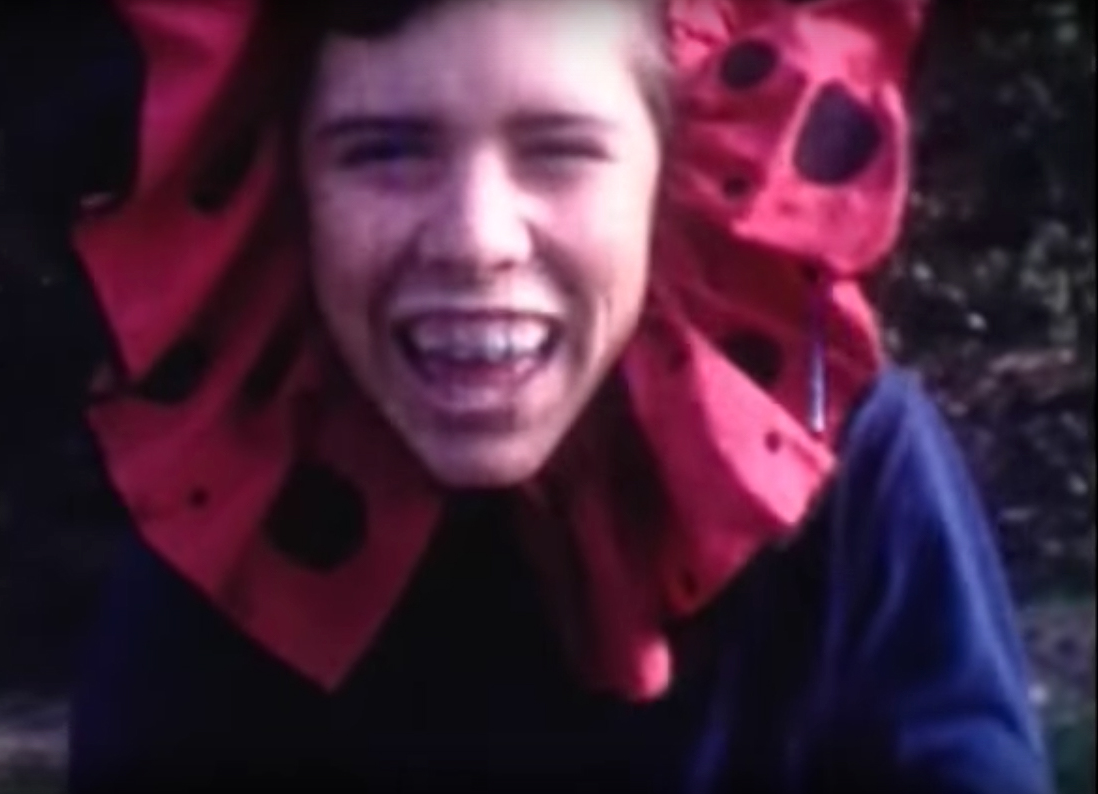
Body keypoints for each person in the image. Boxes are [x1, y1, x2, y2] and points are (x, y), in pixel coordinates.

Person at [63, 0, 1054, 791]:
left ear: (681, 173)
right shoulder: (235, 503)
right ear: (288, 192)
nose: (475, 238)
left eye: (559, 148)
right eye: (386, 151)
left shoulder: (838, 462)